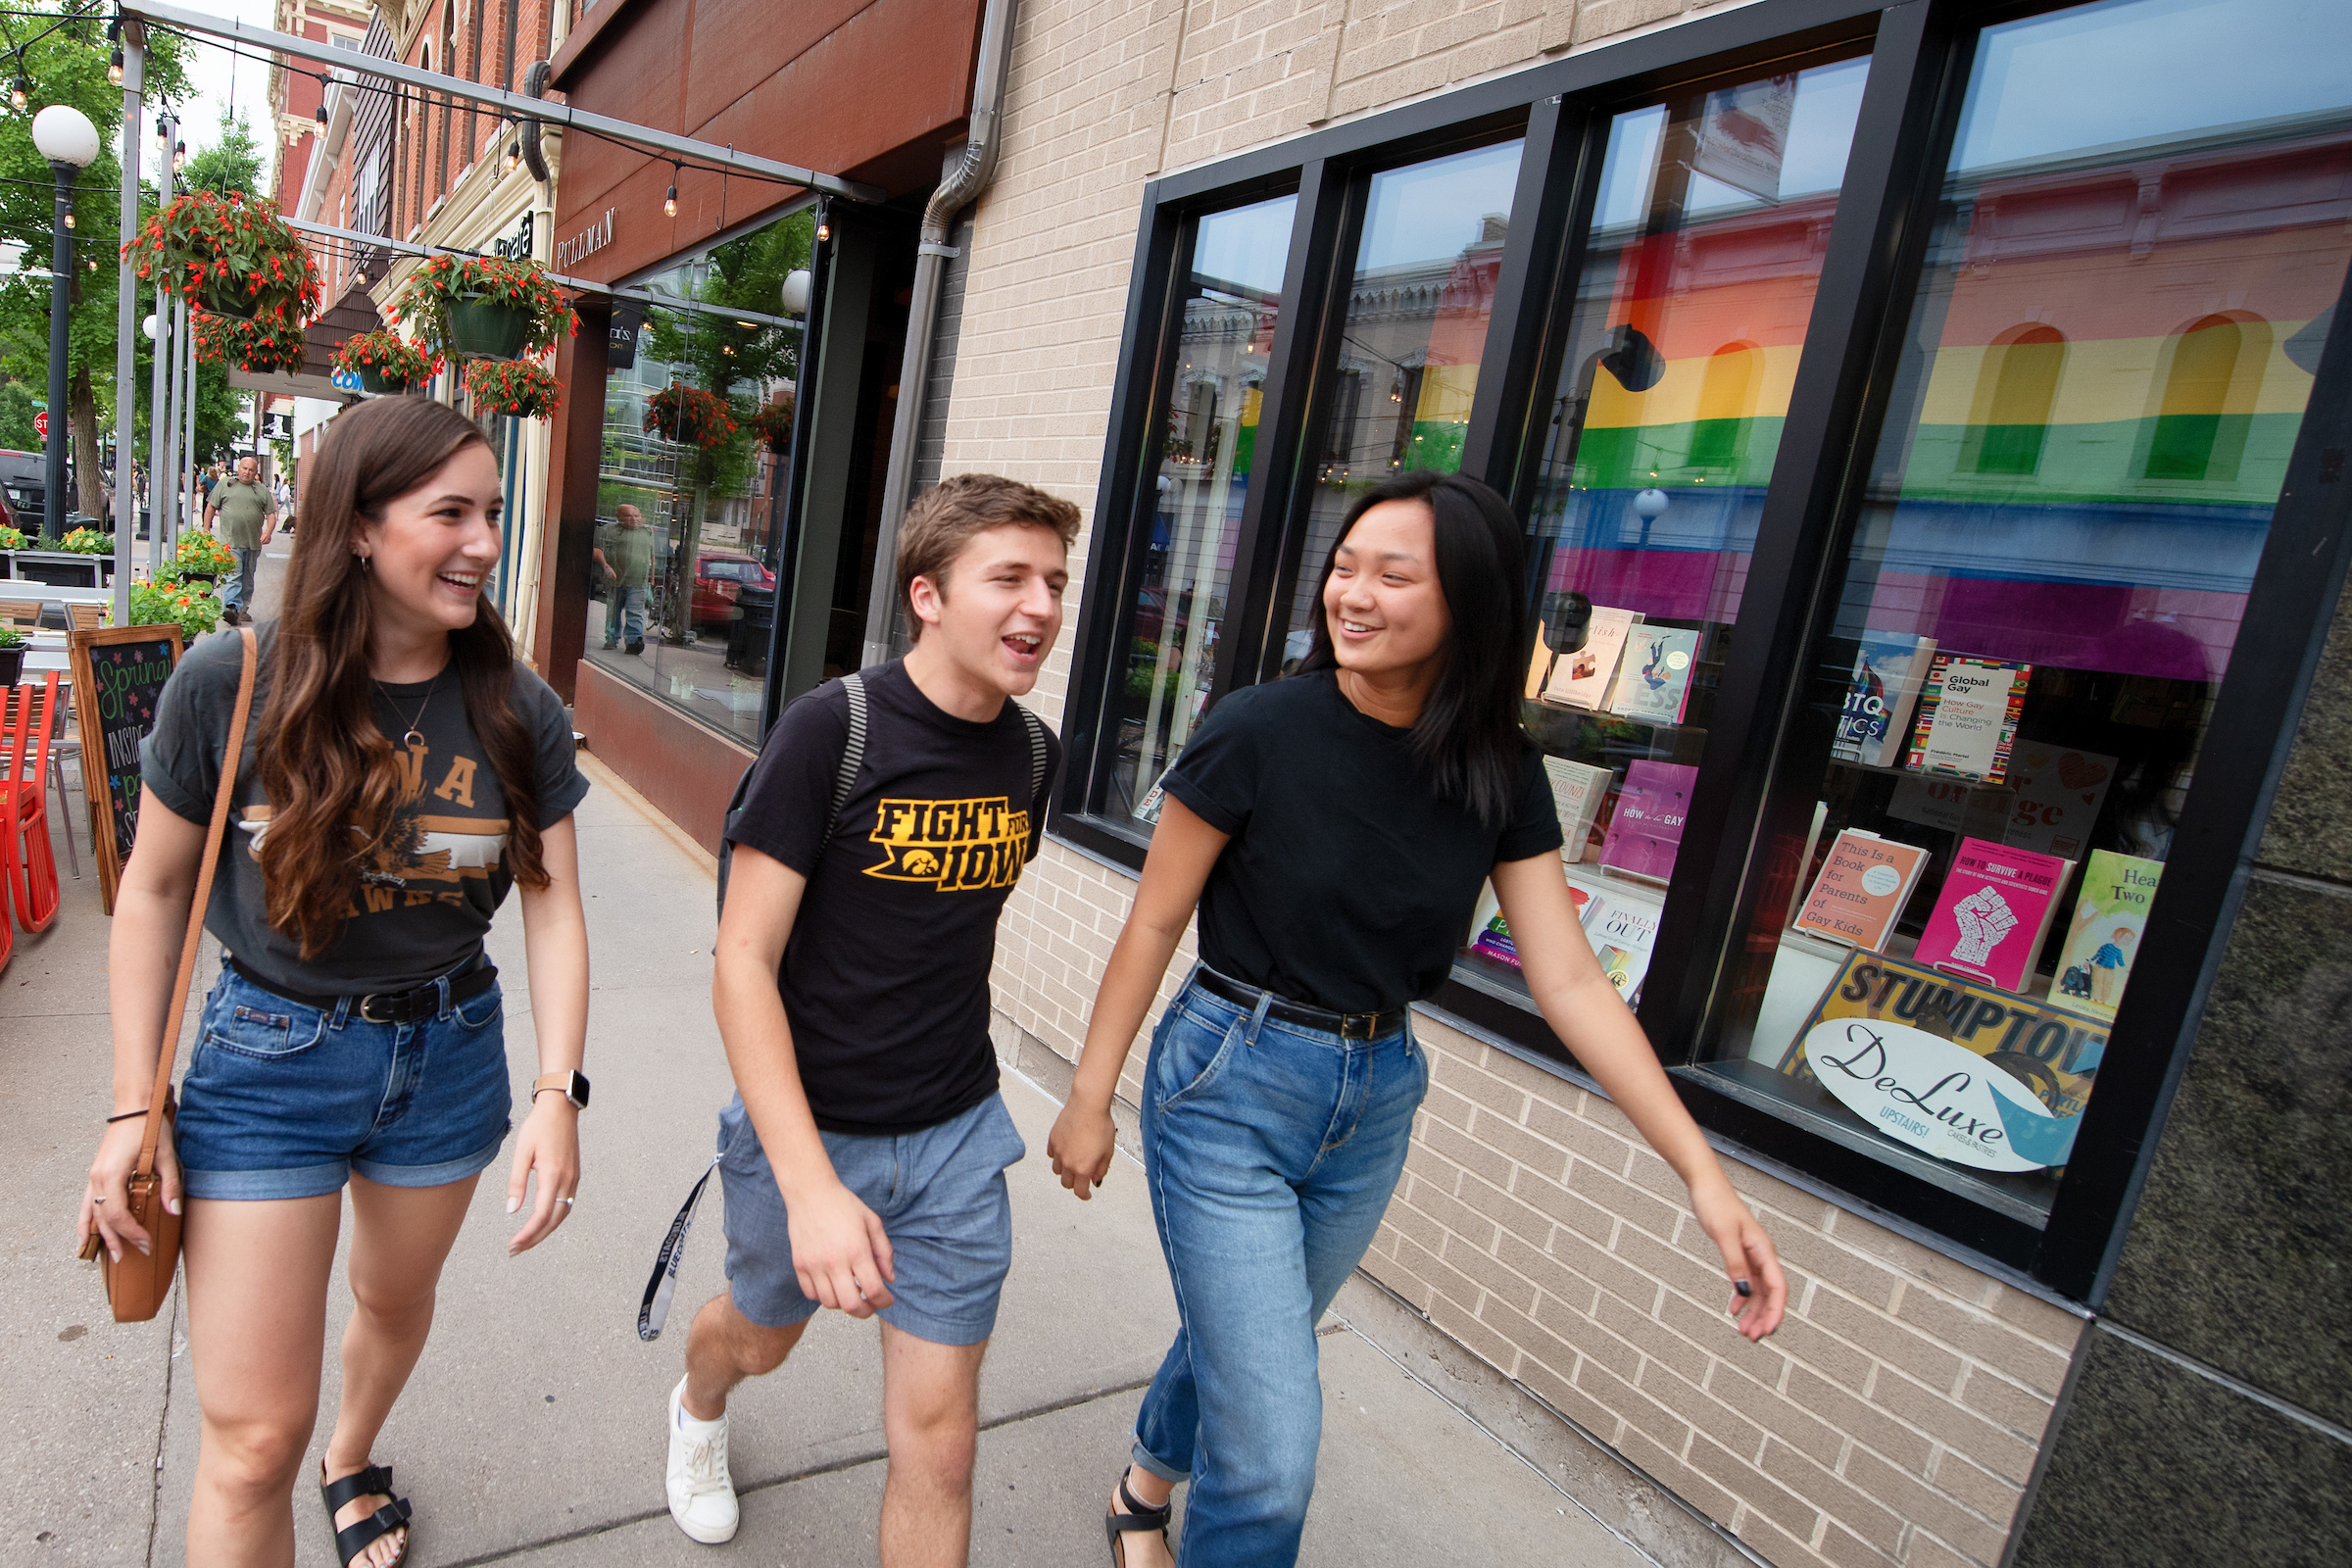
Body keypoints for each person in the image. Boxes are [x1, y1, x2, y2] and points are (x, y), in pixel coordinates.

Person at [1046, 470, 1789, 1568]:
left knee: (1258, 1348)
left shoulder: (1499, 772)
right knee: (1274, 1449)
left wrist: (1702, 1175)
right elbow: (1155, 923)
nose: (1354, 592)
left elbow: (1575, 983)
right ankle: (1176, 1500)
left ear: (1470, 606)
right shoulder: (1257, 729)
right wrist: (1089, 1095)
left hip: (1375, 1096)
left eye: (1394, 575)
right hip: (1227, 1083)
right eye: (1346, 567)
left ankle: (1144, 1482)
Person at [81, 396, 594, 1568]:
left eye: (493, 514)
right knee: (253, 1438)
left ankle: (353, 1449)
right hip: (267, 1061)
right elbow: (154, 894)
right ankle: (309, 1453)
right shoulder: (232, 681)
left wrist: (558, 1091)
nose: (482, 541)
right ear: (357, 527)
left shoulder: (519, 708)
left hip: (447, 1054)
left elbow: (556, 905)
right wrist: (130, 1101)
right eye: (448, 513)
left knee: (390, 1303)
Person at [665, 473, 1076, 1563]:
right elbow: (742, 962)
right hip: (809, 1129)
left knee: (941, 1448)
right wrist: (809, 1189)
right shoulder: (830, 731)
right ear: (929, 595)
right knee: (759, 1342)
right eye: (1010, 579)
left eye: (1054, 582)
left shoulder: (1032, 755)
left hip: (954, 1135)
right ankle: (698, 1405)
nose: (1040, 606)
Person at [206, 456, 278, 626]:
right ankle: (231, 607)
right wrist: (205, 530)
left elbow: (271, 515)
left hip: (253, 542)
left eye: (251, 470)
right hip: (230, 542)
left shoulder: (261, 490)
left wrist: (268, 531)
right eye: (244, 468)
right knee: (233, 575)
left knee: (247, 579)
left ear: (255, 472)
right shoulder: (225, 484)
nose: (247, 472)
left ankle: (241, 609)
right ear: (239, 468)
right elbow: (210, 507)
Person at [593, 504, 655, 654]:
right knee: (613, 610)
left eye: (636, 515)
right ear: (618, 517)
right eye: (628, 516)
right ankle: (611, 638)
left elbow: (652, 556)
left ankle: (634, 642)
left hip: (638, 580)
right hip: (615, 579)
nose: (633, 519)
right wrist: (606, 566)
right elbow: (597, 551)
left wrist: (651, 578)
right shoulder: (608, 530)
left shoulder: (647, 532)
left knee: (635, 611)